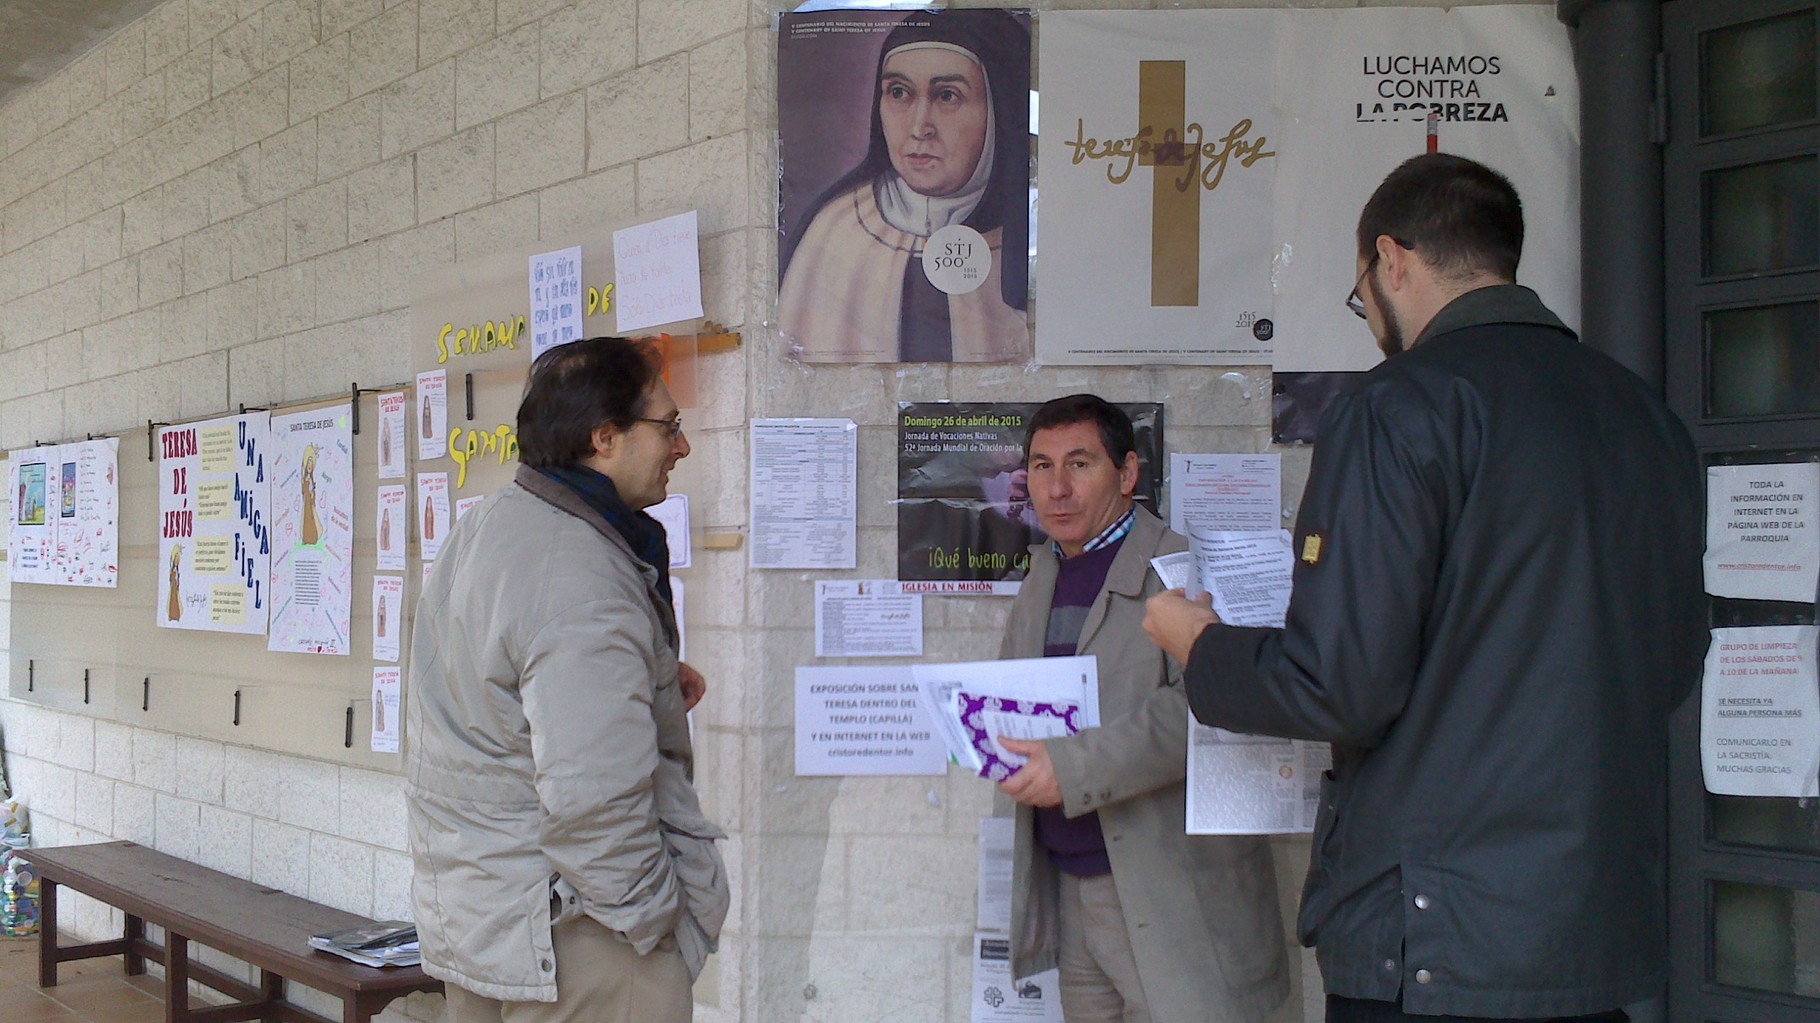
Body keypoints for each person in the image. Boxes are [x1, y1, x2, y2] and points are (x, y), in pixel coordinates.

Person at [1142, 154, 1706, 1022]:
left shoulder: (1399, 405)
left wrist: (1202, 647)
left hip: (1433, 942)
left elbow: (1340, 684)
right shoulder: (1646, 416)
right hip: (1590, 939)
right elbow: (1673, 661)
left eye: (1359, 290)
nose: (1367, 312)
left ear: (1390, 259)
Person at [404, 337, 726, 1023]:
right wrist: (655, 923)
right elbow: (593, 798)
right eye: (668, 426)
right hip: (585, 945)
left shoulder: (488, 525)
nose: (681, 447)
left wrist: (648, 678)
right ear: (604, 438)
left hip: (487, 922)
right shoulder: (579, 571)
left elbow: (490, 698)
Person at [994, 394, 1288, 1023]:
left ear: (1127, 474)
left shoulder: (1188, 567)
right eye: (1042, 467)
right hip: (1069, 883)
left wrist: (1069, 767)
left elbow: (1209, 706)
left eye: (1080, 463)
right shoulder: (1042, 574)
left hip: (1171, 893)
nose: (1058, 488)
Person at [778, 10, 1030, 362]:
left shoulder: (1036, 238)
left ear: (998, 109)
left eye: (947, 96)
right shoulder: (835, 230)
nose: (919, 127)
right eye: (899, 92)